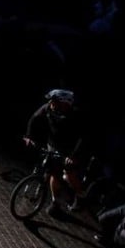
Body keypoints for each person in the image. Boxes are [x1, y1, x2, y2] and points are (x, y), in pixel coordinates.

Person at [24, 89, 86, 217]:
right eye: (51, 101)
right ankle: (55, 203)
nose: (51, 103)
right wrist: (29, 136)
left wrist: (73, 156)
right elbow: (34, 118)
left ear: (65, 103)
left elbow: (83, 138)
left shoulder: (75, 115)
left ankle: (80, 196)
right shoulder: (48, 108)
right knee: (54, 173)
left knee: (69, 174)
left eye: (55, 101)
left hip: (71, 149)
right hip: (53, 144)